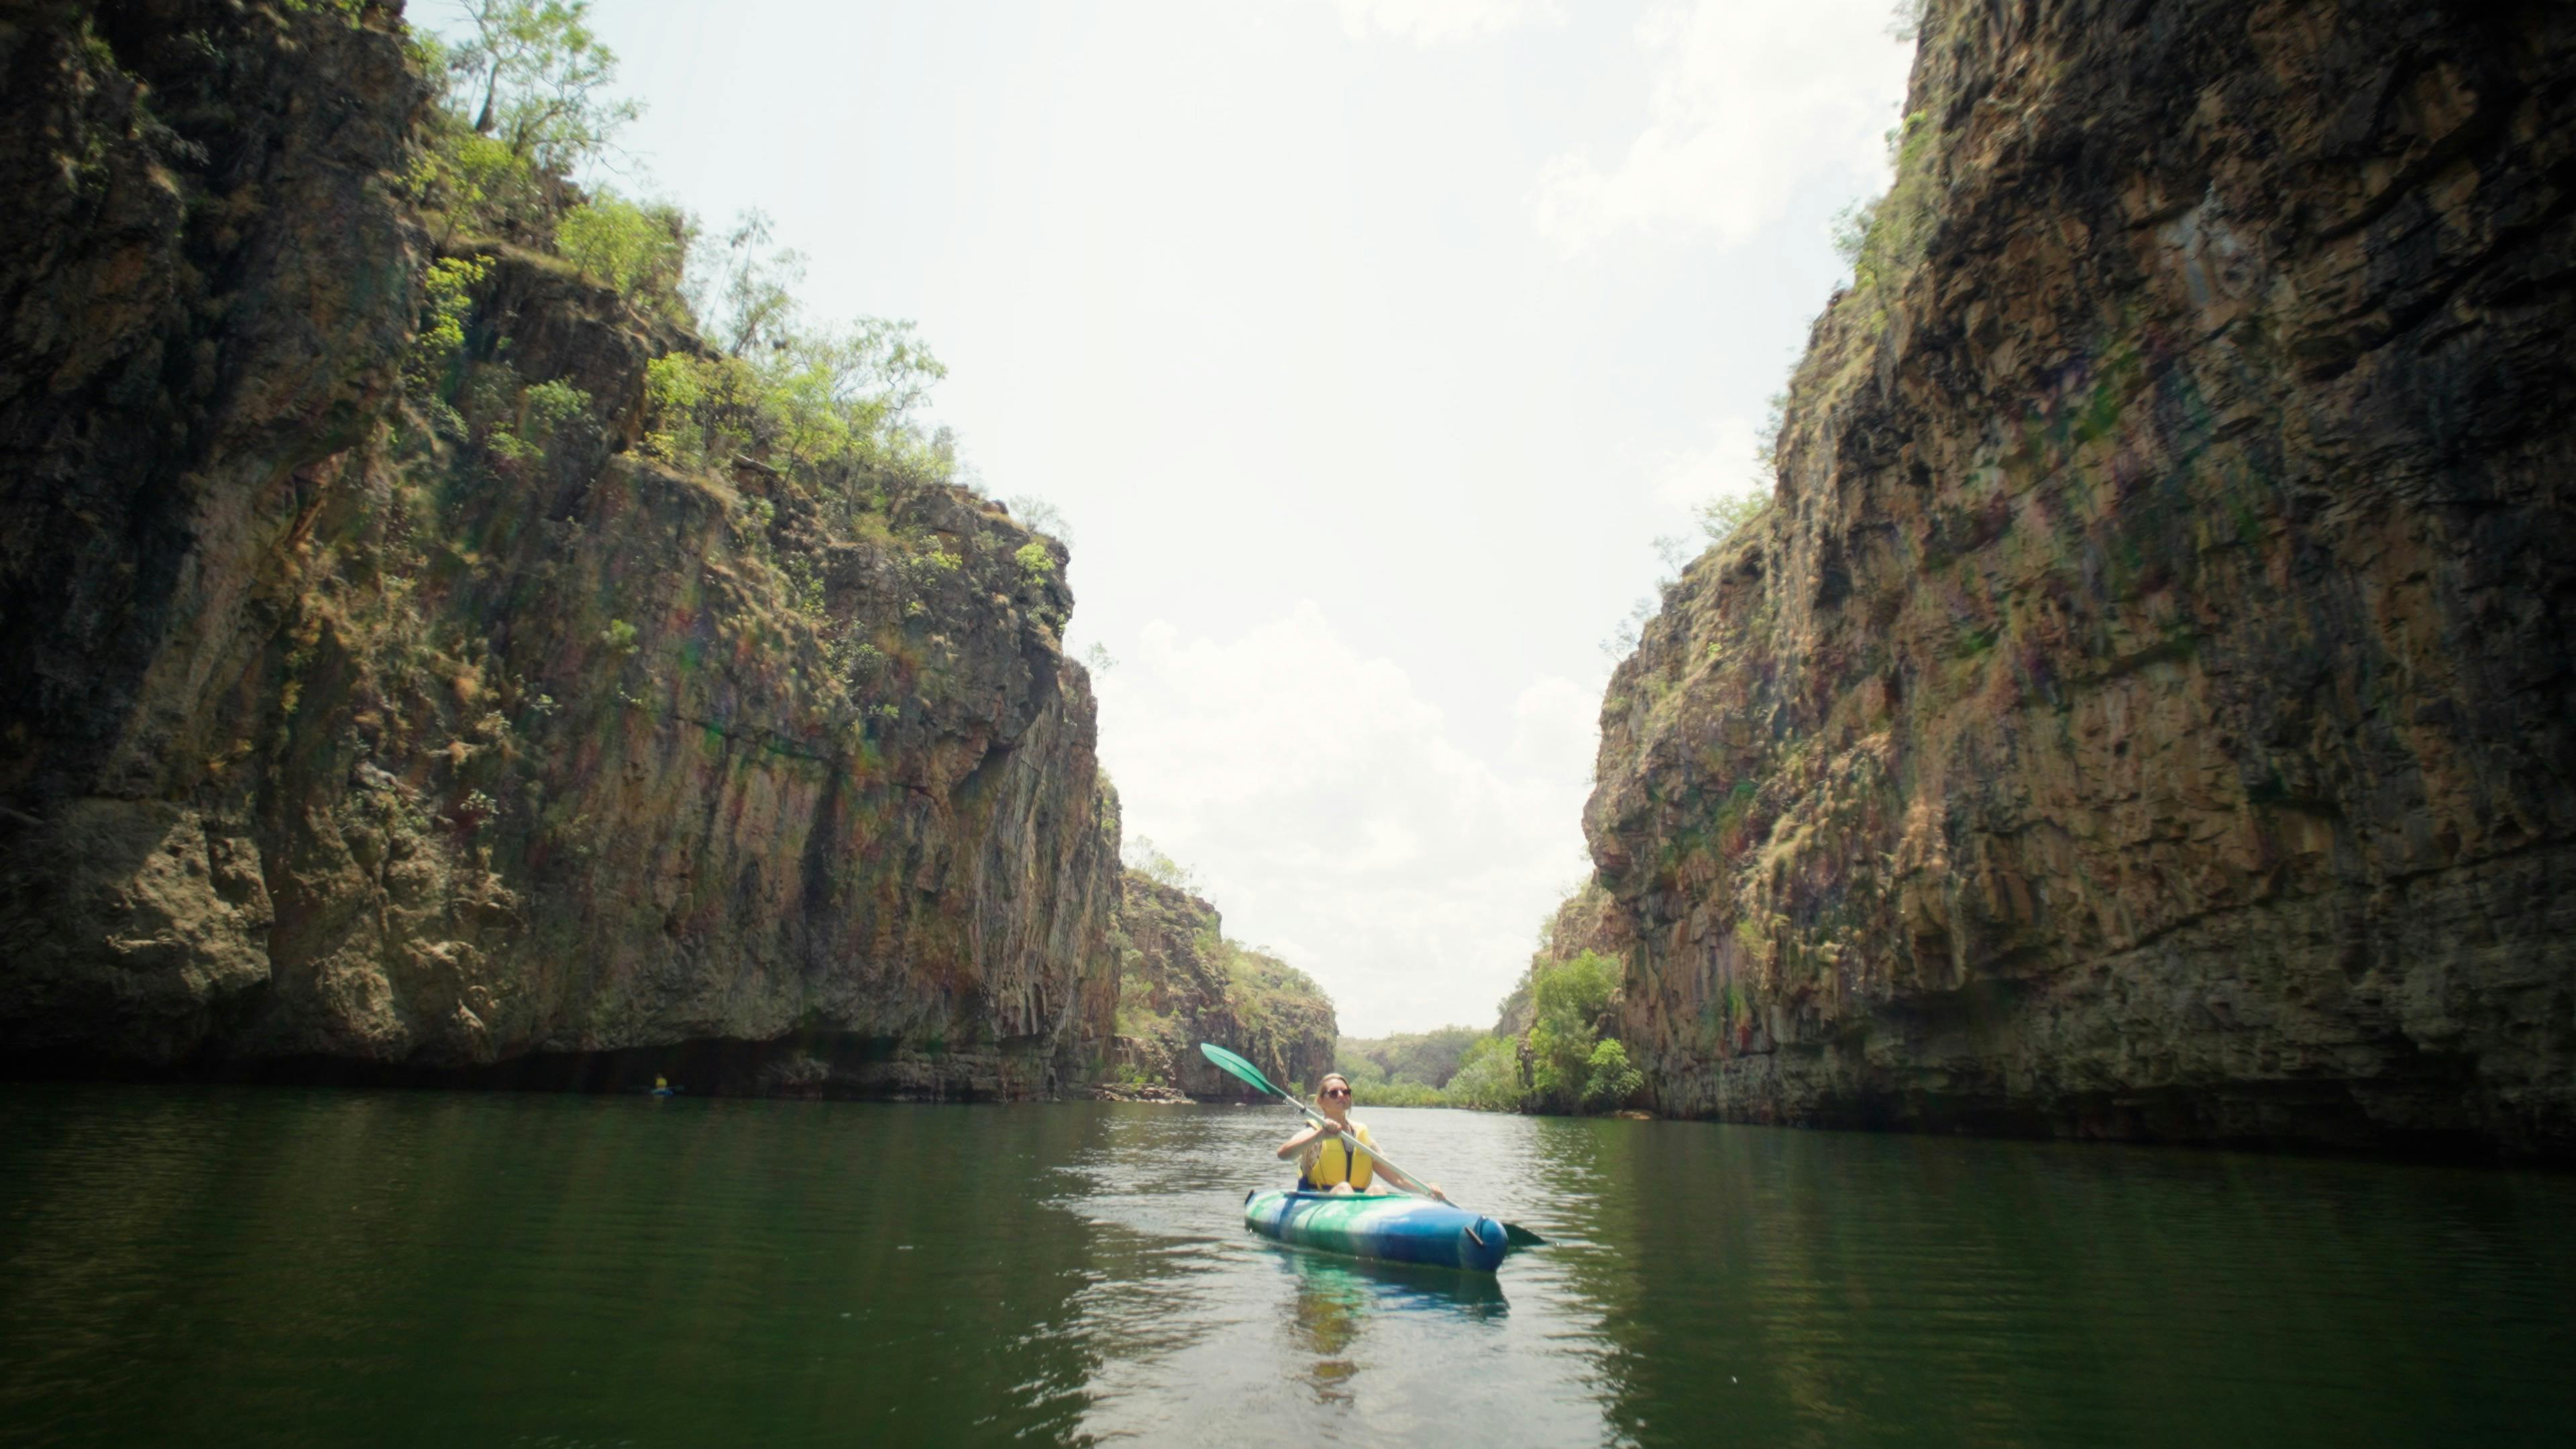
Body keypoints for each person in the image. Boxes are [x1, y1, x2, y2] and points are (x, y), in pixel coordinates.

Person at [1275, 1073, 1438, 1197]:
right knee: (1344, 1188)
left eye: (1346, 1092)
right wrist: (1319, 1136)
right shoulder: (1314, 1132)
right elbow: (1283, 1154)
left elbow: (1398, 1179)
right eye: (1333, 1093)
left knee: (1378, 1190)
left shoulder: (1363, 1138)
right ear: (1320, 1101)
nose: (1341, 1095)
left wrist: (1426, 1189)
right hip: (1320, 1201)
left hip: (1356, 1205)